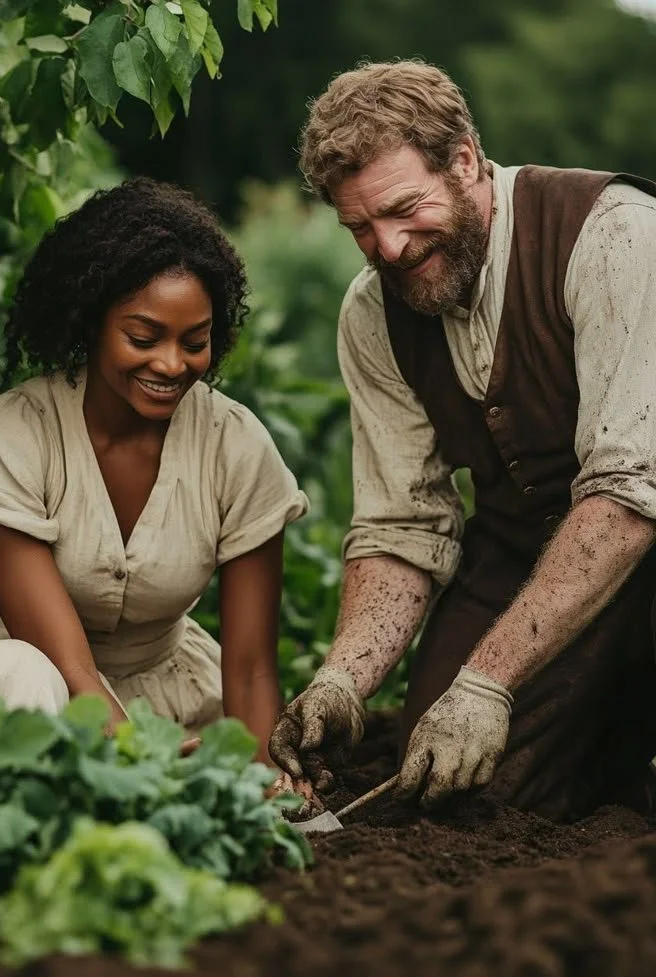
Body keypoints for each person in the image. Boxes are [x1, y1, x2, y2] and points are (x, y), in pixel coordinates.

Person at [269, 59, 656, 820]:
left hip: (644, 530)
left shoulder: (613, 236)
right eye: (360, 229)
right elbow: (403, 525)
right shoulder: (373, 314)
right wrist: (343, 678)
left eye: (403, 209)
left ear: (468, 160)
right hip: (523, 553)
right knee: (451, 785)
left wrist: (488, 680)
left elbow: (630, 490)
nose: (388, 248)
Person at [0, 177, 308, 767]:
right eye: (143, 337)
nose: (171, 364)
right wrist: (142, 762)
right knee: (16, 677)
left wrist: (260, 773)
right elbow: (67, 664)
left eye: (196, 342)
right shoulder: (12, 435)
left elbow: (251, 668)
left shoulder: (234, 445)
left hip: (179, 703)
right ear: (90, 322)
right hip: (40, 696)